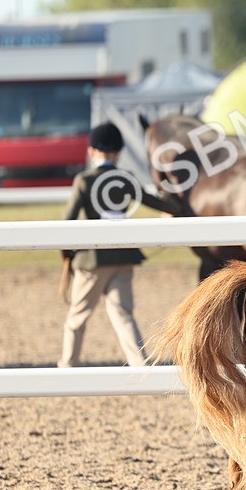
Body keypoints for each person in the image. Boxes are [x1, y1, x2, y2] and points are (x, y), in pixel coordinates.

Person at [58, 122, 178, 368]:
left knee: (77, 317)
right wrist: (176, 208)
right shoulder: (126, 179)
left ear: (92, 151)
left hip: (91, 259)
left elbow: (67, 221)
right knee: (123, 314)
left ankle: (68, 365)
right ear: (119, 152)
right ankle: (139, 364)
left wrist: (67, 253)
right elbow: (157, 203)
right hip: (123, 256)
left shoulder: (84, 180)